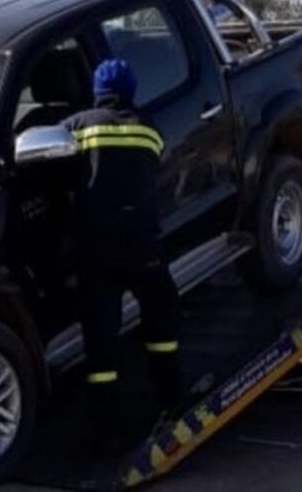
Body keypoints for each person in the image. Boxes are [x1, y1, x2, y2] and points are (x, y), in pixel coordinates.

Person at [60, 59, 183, 444]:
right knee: (162, 323)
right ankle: (172, 402)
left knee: (101, 341)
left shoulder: (77, 127)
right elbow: (156, 163)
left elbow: (52, 167)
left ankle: (106, 428)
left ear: (98, 90)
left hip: (99, 249)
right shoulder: (149, 130)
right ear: (131, 90)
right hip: (144, 245)